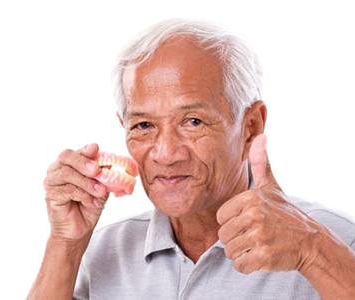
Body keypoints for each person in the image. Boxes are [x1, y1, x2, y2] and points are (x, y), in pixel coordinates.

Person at [27, 19, 355, 299]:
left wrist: (313, 252)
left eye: (193, 121)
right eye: (144, 126)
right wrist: (65, 247)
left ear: (250, 127)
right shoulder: (105, 250)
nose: (166, 154)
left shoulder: (333, 240)